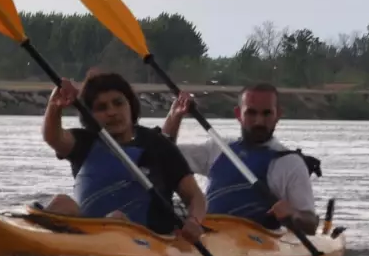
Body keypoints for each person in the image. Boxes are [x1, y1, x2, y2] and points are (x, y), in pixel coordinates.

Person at [42, 70, 206, 242]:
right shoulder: (84, 142)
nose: (112, 112)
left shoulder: (158, 145)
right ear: (89, 115)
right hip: (89, 233)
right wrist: (55, 104)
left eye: (118, 103)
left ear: (130, 105)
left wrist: (194, 221)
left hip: (149, 239)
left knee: (116, 218)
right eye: (101, 108)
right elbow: (53, 137)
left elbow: (194, 196)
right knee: (61, 203)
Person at [162, 83, 320, 233]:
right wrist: (175, 116)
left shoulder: (290, 163)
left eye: (267, 113)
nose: (259, 121)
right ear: (238, 114)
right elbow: (164, 156)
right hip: (209, 232)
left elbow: (311, 225)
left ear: (278, 114)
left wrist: (293, 213)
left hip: (258, 242)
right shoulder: (218, 147)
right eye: (251, 113)